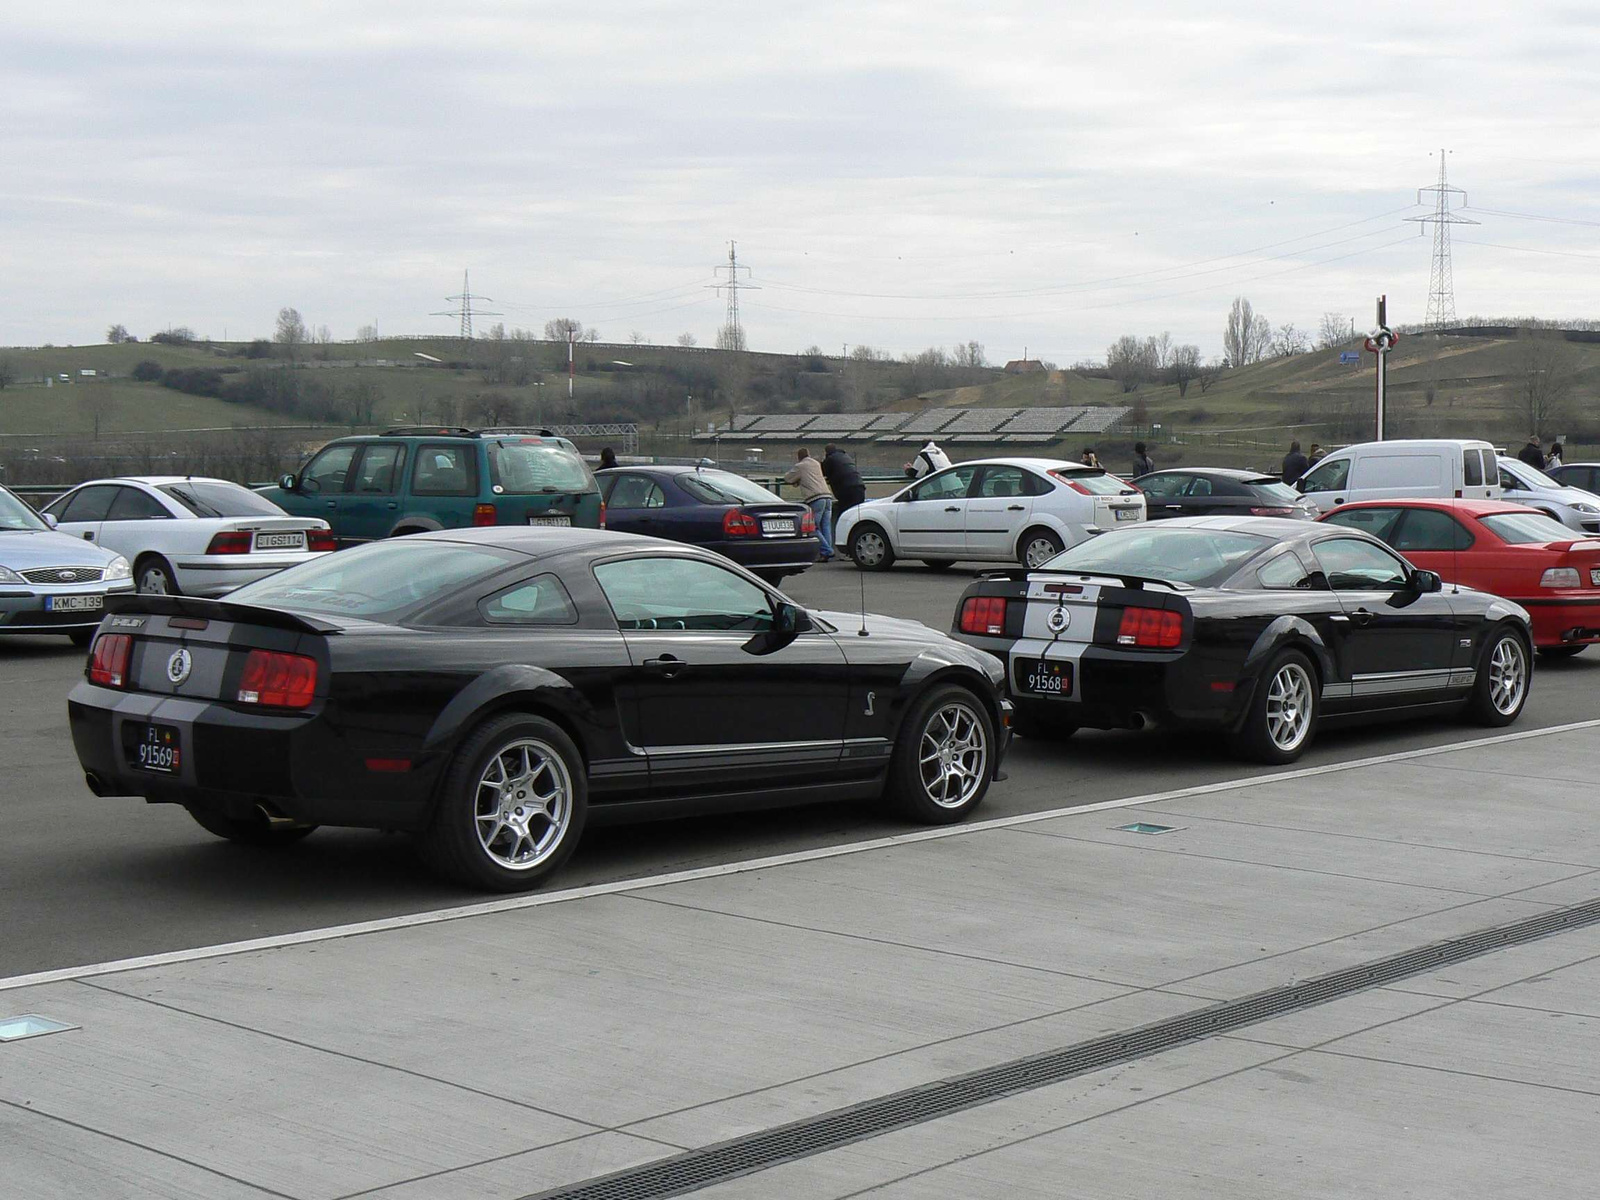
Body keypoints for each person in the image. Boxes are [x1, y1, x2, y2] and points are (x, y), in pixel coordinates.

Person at [784, 447, 835, 561]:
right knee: (826, 526)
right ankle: (826, 553)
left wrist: (797, 481)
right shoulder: (816, 463)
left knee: (812, 527)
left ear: (799, 457)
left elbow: (787, 478)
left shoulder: (800, 466)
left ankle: (827, 551)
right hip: (827, 496)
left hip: (815, 498)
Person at [820, 443, 866, 530]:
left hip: (846, 489)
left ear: (826, 452)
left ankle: (841, 537)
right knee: (858, 516)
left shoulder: (830, 459)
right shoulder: (846, 456)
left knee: (844, 516)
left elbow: (822, 471)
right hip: (859, 487)